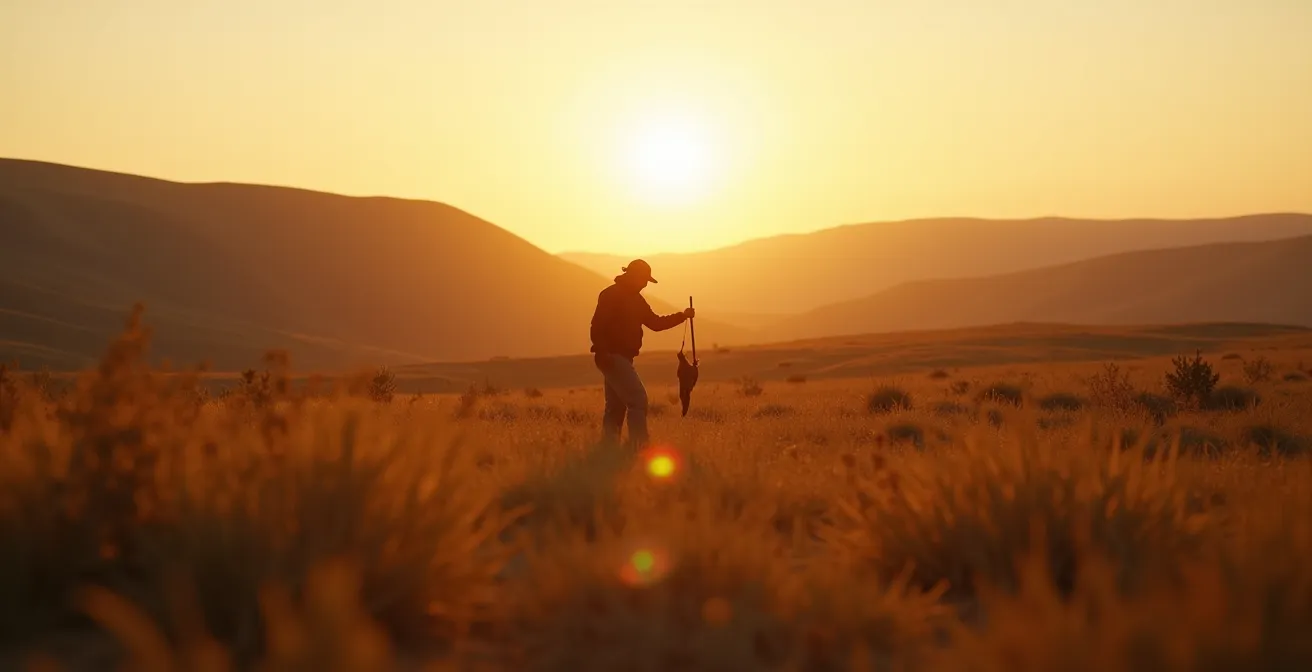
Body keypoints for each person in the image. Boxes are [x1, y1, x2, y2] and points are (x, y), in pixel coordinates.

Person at [589, 259, 694, 448]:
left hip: (618, 358)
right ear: (634, 277)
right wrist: (603, 352)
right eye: (644, 279)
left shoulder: (636, 300)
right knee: (638, 400)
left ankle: (607, 449)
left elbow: (655, 323)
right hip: (612, 357)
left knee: (616, 407)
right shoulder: (611, 295)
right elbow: (597, 326)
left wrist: (683, 316)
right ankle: (639, 446)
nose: (646, 284)